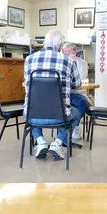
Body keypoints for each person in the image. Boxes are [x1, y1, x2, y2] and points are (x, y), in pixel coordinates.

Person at [23, 30, 81, 160]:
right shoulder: (68, 61)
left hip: (32, 116)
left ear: (44, 43)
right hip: (59, 116)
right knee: (77, 112)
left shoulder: (29, 59)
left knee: (34, 106)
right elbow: (77, 84)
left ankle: (40, 140)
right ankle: (58, 142)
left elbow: (27, 83)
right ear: (61, 47)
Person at [62, 43, 90, 140]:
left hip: (77, 92)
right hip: (64, 93)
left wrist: (76, 62)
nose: (67, 54)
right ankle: (66, 126)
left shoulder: (83, 62)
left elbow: (82, 78)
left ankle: (75, 126)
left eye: (69, 52)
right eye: (65, 52)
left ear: (75, 52)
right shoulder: (61, 62)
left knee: (82, 103)